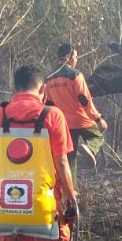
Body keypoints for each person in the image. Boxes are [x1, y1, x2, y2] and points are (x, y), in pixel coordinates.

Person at [0, 64, 79, 241]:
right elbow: (61, 162)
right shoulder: (52, 116)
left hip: (7, 204)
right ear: (43, 90)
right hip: (45, 206)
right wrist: (72, 198)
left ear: (15, 88)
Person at [44, 42, 107, 179]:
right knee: (97, 136)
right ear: (68, 56)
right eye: (75, 57)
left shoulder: (48, 79)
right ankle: (89, 148)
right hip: (82, 120)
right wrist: (98, 118)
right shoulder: (75, 75)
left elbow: (48, 104)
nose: (76, 60)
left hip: (64, 125)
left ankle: (72, 193)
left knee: (69, 160)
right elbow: (85, 100)